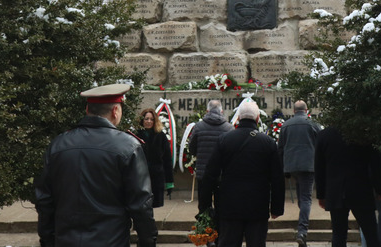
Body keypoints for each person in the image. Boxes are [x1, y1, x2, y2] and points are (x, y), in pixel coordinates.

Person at [34, 83, 158, 247]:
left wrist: (48, 240)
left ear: (87, 110)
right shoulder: (128, 146)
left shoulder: (58, 145)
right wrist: (148, 242)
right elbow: (141, 204)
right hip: (111, 240)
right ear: (115, 111)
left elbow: (44, 201)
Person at [198, 100, 285, 247]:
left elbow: (210, 175)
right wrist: (276, 208)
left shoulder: (224, 140)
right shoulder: (268, 142)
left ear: (238, 118)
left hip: (229, 206)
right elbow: (277, 177)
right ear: (257, 119)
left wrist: (205, 206)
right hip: (258, 206)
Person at [315, 126, 381, 247]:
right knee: (371, 234)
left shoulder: (324, 135)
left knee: (338, 234)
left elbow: (319, 167)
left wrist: (321, 195)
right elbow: (376, 164)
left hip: (336, 191)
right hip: (360, 188)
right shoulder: (362, 133)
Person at [278, 100, 321, 246]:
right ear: (306, 110)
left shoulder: (286, 125)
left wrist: (284, 167)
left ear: (294, 110)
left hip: (292, 166)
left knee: (301, 197)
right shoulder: (313, 124)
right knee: (306, 198)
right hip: (308, 166)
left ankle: (302, 222)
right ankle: (302, 231)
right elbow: (320, 144)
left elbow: (281, 148)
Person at [187, 99, 233, 195]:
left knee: (204, 206)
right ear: (221, 111)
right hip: (222, 173)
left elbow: (191, 148)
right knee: (221, 206)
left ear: (207, 111)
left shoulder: (199, 127)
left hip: (203, 173)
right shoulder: (229, 128)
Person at [136, 108, 175, 208]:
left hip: (156, 177)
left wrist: (169, 181)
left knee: (152, 206)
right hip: (140, 177)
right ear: (142, 120)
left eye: (152, 119)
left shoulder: (161, 136)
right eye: (146, 119)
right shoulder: (136, 135)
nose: (149, 121)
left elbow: (167, 159)